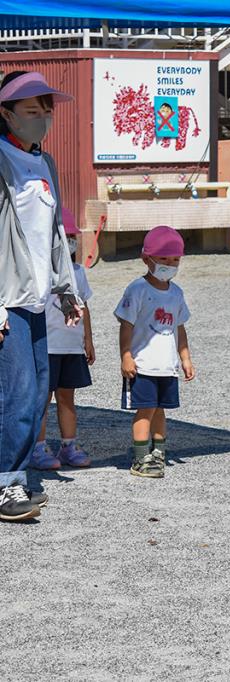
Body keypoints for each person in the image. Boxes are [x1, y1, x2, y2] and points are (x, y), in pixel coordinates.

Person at [0, 70, 81, 522]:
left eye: (46, 111)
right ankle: (7, 484)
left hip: (37, 297)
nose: (42, 118)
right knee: (16, 394)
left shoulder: (44, 162)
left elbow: (53, 235)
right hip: (7, 298)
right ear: (6, 113)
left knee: (36, 396)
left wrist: (66, 289)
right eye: (31, 110)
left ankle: (15, 474)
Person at [115, 225, 195, 479]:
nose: (169, 265)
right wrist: (126, 355)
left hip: (166, 366)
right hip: (143, 365)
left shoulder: (176, 293)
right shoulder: (137, 289)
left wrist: (185, 358)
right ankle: (140, 457)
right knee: (145, 409)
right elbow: (126, 324)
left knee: (161, 409)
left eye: (175, 260)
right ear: (146, 259)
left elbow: (179, 327)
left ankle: (158, 451)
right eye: (163, 259)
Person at [31, 208, 95, 469]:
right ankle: (37, 448)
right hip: (47, 347)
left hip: (71, 347)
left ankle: (69, 445)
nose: (68, 242)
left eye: (71, 237)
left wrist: (88, 340)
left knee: (67, 398)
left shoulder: (78, 272)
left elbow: (84, 305)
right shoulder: (39, 273)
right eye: (62, 236)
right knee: (42, 400)